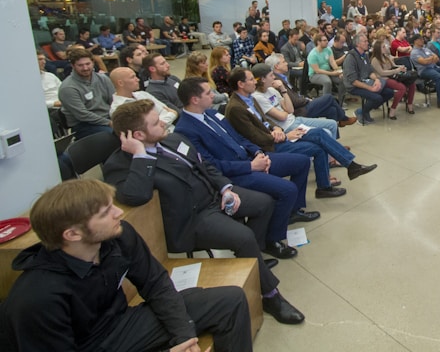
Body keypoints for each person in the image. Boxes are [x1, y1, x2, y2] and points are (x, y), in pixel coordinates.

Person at [103, 100, 305, 324]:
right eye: (155, 122)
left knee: (264, 203)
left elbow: (205, 166)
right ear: (138, 136)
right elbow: (135, 195)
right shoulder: (121, 164)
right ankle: (271, 297)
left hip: (215, 197)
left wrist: (225, 188)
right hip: (192, 218)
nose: (163, 123)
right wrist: (141, 155)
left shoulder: (172, 139)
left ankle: (253, 260)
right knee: (243, 236)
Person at [0, 179, 253, 351]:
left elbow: (155, 283)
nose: (118, 214)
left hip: (122, 324)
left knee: (230, 301)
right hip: (86, 346)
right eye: (105, 212)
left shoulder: (118, 236)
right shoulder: (36, 298)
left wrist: (184, 336)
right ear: (72, 234)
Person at [175, 77, 319, 258]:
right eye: (208, 93)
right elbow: (210, 165)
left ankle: (292, 211)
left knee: (302, 162)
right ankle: (272, 240)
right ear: (195, 99)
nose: (213, 95)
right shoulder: (185, 130)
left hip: (252, 159)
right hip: (235, 173)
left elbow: (240, 138)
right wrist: (250, 166)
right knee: (287, 189)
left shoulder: (211, 114)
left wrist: (258, 152)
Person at [225, 68, 373, 197]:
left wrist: (276, 128)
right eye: (251, 79)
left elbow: (265, 121)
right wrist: (283, 135)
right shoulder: (236, 108)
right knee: (319, 139)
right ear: (241, 84)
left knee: (319, 139)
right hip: (268, 146)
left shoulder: (249, 99)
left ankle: (328, 184)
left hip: (278, 134)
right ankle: (349, 168)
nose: (255, 82)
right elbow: (253, 136)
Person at [266, 53, 356, 126]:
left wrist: (305, 99)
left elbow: (294, 96)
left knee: (332, 110)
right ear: (276, 66)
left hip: (301, 105)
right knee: (328, 98)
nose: (287, 63)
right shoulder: (277, 81)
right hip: (299, 111)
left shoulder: (282, 77)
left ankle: (334, 144)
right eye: (284, 62)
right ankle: (344, 119)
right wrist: (307, 100)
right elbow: (294, 102)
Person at [58, 48, 115, 139]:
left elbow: (114, 101)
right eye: (80, 65)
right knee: (115, 135)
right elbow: (82, 115)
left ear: (93, 63)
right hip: (84, 125)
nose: (85, 68)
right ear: (73, 66)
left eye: (88, 64)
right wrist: (109, 123)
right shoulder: (68, 88)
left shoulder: (103, 78)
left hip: (108, 118)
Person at [343, 33, 395, 124]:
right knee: (377, 97)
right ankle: (362, 112)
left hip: (366, 81)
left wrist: (377, 80)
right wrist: (371, 88)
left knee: (389, 92)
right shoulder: (350, 58)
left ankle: (363, 111)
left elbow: (370, 71)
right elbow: (354, 81)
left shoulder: (365, 55)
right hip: (354, 86)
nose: (368, 43)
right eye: (365, 41)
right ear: (358, 44)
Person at [109, 67, 178, 129]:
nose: (138, 79)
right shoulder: (117, 109)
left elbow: (164, 110)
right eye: (132, 77)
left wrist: (158, 122)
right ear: (121, 83)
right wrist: (172, 114)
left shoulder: (142, 94)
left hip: (172, 129)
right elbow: (147, 130)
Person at [371, 38, 416, 117]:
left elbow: (393, 66)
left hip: (392, 76)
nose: (386, 48)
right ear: (378, 49)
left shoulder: (386, 57)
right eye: (383, 47)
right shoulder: (375, 60)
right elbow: (382, 72)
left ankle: (410, 104)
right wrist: (396, 70)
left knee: (412, 84)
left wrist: (400, 67)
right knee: (402, 88)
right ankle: (393, 108)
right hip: (383, 79)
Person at [306, 33, 346, 103]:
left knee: (343, 79)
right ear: (318, 42)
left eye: (327, 40)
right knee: (327, 82)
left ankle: (340, 102)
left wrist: (338, 71)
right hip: (315, 75)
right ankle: (326, 102)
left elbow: (332, 62)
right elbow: (317, 70)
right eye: (324, 40)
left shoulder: (328, 49)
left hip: (328, 71)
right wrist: (332, 73)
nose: (327, 42)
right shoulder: (313, 54)